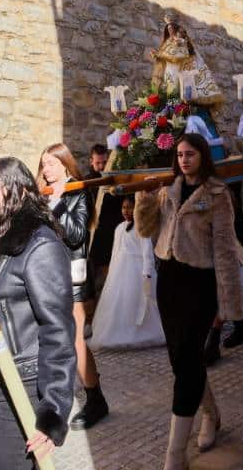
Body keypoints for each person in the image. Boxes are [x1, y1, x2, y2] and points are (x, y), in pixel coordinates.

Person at [0, 157, 76, 469]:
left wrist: (53, 410)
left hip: (21, 389)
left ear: (18, 192)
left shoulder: (40, 246)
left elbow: (58, 332)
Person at [135, 134, 242, 469]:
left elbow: (225, 249)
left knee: (187, 361)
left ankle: (175, 452)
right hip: (169, 280)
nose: (184, 159)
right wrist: (145, 199)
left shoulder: (218, 194)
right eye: (180, 154)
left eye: (190, 154)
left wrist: (228, 305)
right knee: (182, 361)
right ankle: (210, 413)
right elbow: (144, 230)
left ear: (202, 156)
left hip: (200, 283)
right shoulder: (168, 189)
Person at [37, 143, 109, 430]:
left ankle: (95, 399)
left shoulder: (77, 191)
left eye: (52, 164)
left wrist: (57, 204)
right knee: (53, 341)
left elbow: (77, 234)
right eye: (43, 164)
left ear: (66, 165)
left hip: (72, 277)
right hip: (46, 275)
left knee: (76, 340)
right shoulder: (41, 195)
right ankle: (55, 400)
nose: (46, 170)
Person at [91, 196, 165, 350]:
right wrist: (112, 271)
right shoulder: (119, 228)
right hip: (120, 269)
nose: (126, 211)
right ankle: (119, 332)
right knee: (121, 301)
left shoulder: (142, 227)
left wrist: (147, 273)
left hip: (137, 270)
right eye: (124, 207)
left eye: (130, 207)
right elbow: (115, 251)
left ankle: (148, 332)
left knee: (140, 300)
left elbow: (147, 253)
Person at [204, 181, 243, 366]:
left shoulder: (223, 194)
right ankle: (239, 327)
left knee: (222, 290)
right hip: (211, 247)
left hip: (225, 247)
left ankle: (214, 337)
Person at [150, 16, 223, 109]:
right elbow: (164, 56)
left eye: (171, 28)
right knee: (169, 89)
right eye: (168, 29)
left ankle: (180, 106)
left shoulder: (180, 41)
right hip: (169, 69)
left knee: (178, 89)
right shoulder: (167, 42)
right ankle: (170, 106)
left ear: (175, 29)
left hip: (179, 69)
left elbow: (180, 54)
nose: (170, 31)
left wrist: (160, 55)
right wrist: (157, 57)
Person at [86, 143, 124, 301]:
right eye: (97, 163)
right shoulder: (86, 182)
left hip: (111, 234)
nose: (101, 167)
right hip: (93, 235)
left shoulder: (115, 179)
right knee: (92, 280)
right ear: (91, 162)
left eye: (104, 162)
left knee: (111, 279)